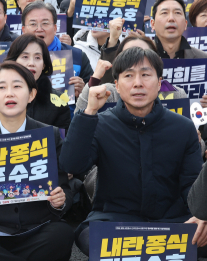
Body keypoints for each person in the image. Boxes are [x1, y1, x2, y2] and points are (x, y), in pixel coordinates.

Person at [60, 47, 207, 256]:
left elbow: (190, 186)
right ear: (117, 86)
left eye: (146, 75)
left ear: (159, 83)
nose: (138, 83)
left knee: (201, 233)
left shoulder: (183, 128)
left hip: (172, 222)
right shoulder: (100, 123)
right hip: (115, 220)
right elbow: (72, 165)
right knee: (88, 237)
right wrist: (89, 112)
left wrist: (201, 216)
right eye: (129, 75)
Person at [0, 61, 74, 261]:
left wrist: (59, 202)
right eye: (1, 87)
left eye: (17, 86)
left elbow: (65, 187)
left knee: (62, 234)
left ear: (31, 94)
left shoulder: (50, 135)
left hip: (38, 229)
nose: (9, 93)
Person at [0, 34, 71, 130]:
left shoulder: (58, 101)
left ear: (44, 65)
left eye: (37, 57)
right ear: (13, 61)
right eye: (25, 57)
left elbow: (60, 144)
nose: (31, 63)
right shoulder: (0, 94)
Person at [76, 33, 189, 111]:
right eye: (129, 55)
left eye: (144, 54)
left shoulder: (177, 94)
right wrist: (94, 79)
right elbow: (79, 122)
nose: (138, 83)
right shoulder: (109, 93)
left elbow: (192, 143)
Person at [21, 1, 92, 97]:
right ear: (23, 30)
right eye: (33, 24)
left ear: (55, 29)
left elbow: (94, 97)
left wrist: (84, 91)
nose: (39, 29)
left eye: (45, 23)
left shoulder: (77, 56)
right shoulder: (11, 58)